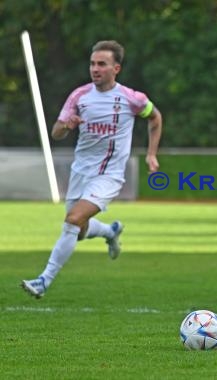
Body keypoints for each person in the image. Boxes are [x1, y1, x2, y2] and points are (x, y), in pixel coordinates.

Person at [21, 40, 162, 298]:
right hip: (80, 173)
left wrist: (151, 153)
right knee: (80, 230)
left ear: (115, 68)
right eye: (92, 64)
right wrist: (67, 125)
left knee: (73, 220)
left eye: (102, 64)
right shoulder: (79, 96)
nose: (95, 69)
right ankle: (110, 231)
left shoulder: (131, 98)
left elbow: (155, 117)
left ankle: (43, 280)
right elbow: (56, 132)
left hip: (109, 175)